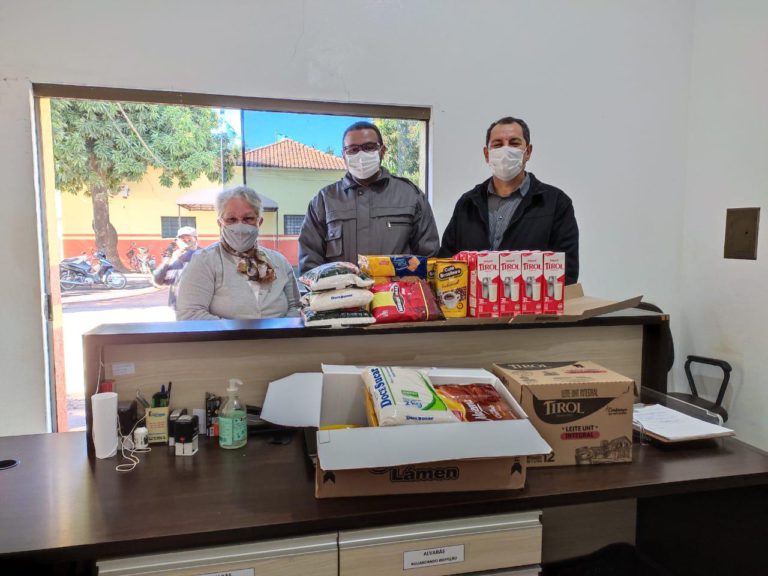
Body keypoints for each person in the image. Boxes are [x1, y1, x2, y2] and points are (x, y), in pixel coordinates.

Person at [439, 116, 579, 284]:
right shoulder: (467, 203)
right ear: (487, 154)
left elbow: (566, 273)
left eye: (514, 143)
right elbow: (445, 263)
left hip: (531, 300)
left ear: (528, 152)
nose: (505, 151)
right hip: (472, 301)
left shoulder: (556, 203)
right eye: (498, 144)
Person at [298, 121, 439, 274]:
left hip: (398, 290)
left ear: (382, 151)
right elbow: (310, 266)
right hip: (341, 290)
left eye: (369, 147)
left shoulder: (410, 196)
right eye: (353, 149)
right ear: (344, 155)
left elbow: (429, 260)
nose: (361, 155)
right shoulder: (324, 201)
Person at [175, 186, 301, 320]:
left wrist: (282, 330)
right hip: (226, 335)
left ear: (259, 222)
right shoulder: (204, 261)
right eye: (231, 219)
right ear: (220, 223)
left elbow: (296, 306)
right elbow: (190, 314)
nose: (240, 226)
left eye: (248, 218)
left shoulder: (279, 261)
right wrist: (238, 331)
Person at [152, 226, 199, 308]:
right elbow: (158, 281)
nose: (186, 241)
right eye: (182, 239)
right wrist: (167, 258)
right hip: (177, 307)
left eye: (189, 238)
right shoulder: (174, 258)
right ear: (177, 241)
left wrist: (184, 251)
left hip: (197, 307)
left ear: (196, 239)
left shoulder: (203, 254)